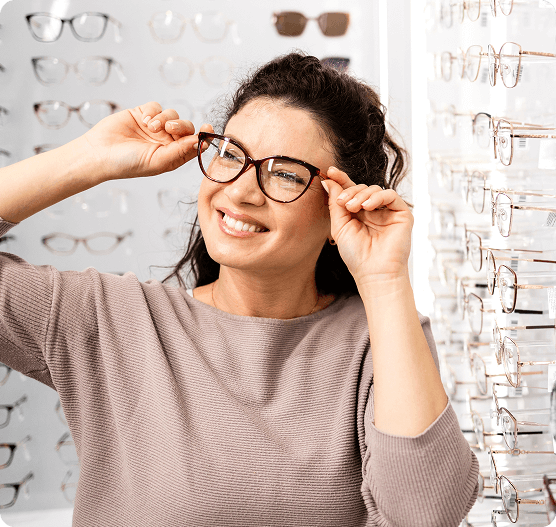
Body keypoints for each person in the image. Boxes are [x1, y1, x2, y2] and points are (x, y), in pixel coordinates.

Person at [0, 52, 478, 526]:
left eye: (285, 173)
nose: (240, 191)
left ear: (340, 209)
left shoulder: (381, 341)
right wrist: (86, 159)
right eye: (230, 155)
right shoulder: (113, 320)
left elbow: (424, 515)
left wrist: (384, 279)